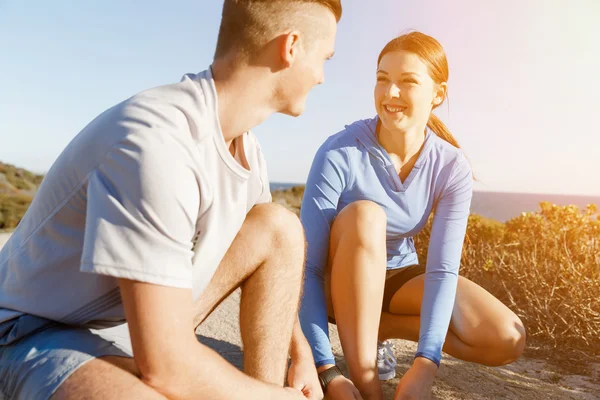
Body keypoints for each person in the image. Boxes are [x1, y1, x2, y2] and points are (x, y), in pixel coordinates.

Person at [0, 1, 341, 399]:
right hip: (31, 332)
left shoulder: (248, 150)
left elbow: (274, 264)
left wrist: (299, 355)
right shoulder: (155, 141)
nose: (321, 77)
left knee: (279, 228)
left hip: (135, 326)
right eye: (325, 58)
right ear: (292, 47)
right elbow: (168, 369)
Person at [299, 31, 527, 400]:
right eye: (382, 79)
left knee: (504, 338)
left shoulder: (450, 165)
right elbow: (306, 268)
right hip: (333, 283)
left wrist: (425, 364)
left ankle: (371, 329)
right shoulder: (339, 151)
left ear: (437, 94)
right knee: (366, 216)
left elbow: (441, 271)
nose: (390, 94)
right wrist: (327, 371)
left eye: (407, 82)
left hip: (397, 278)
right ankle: (368, 383)